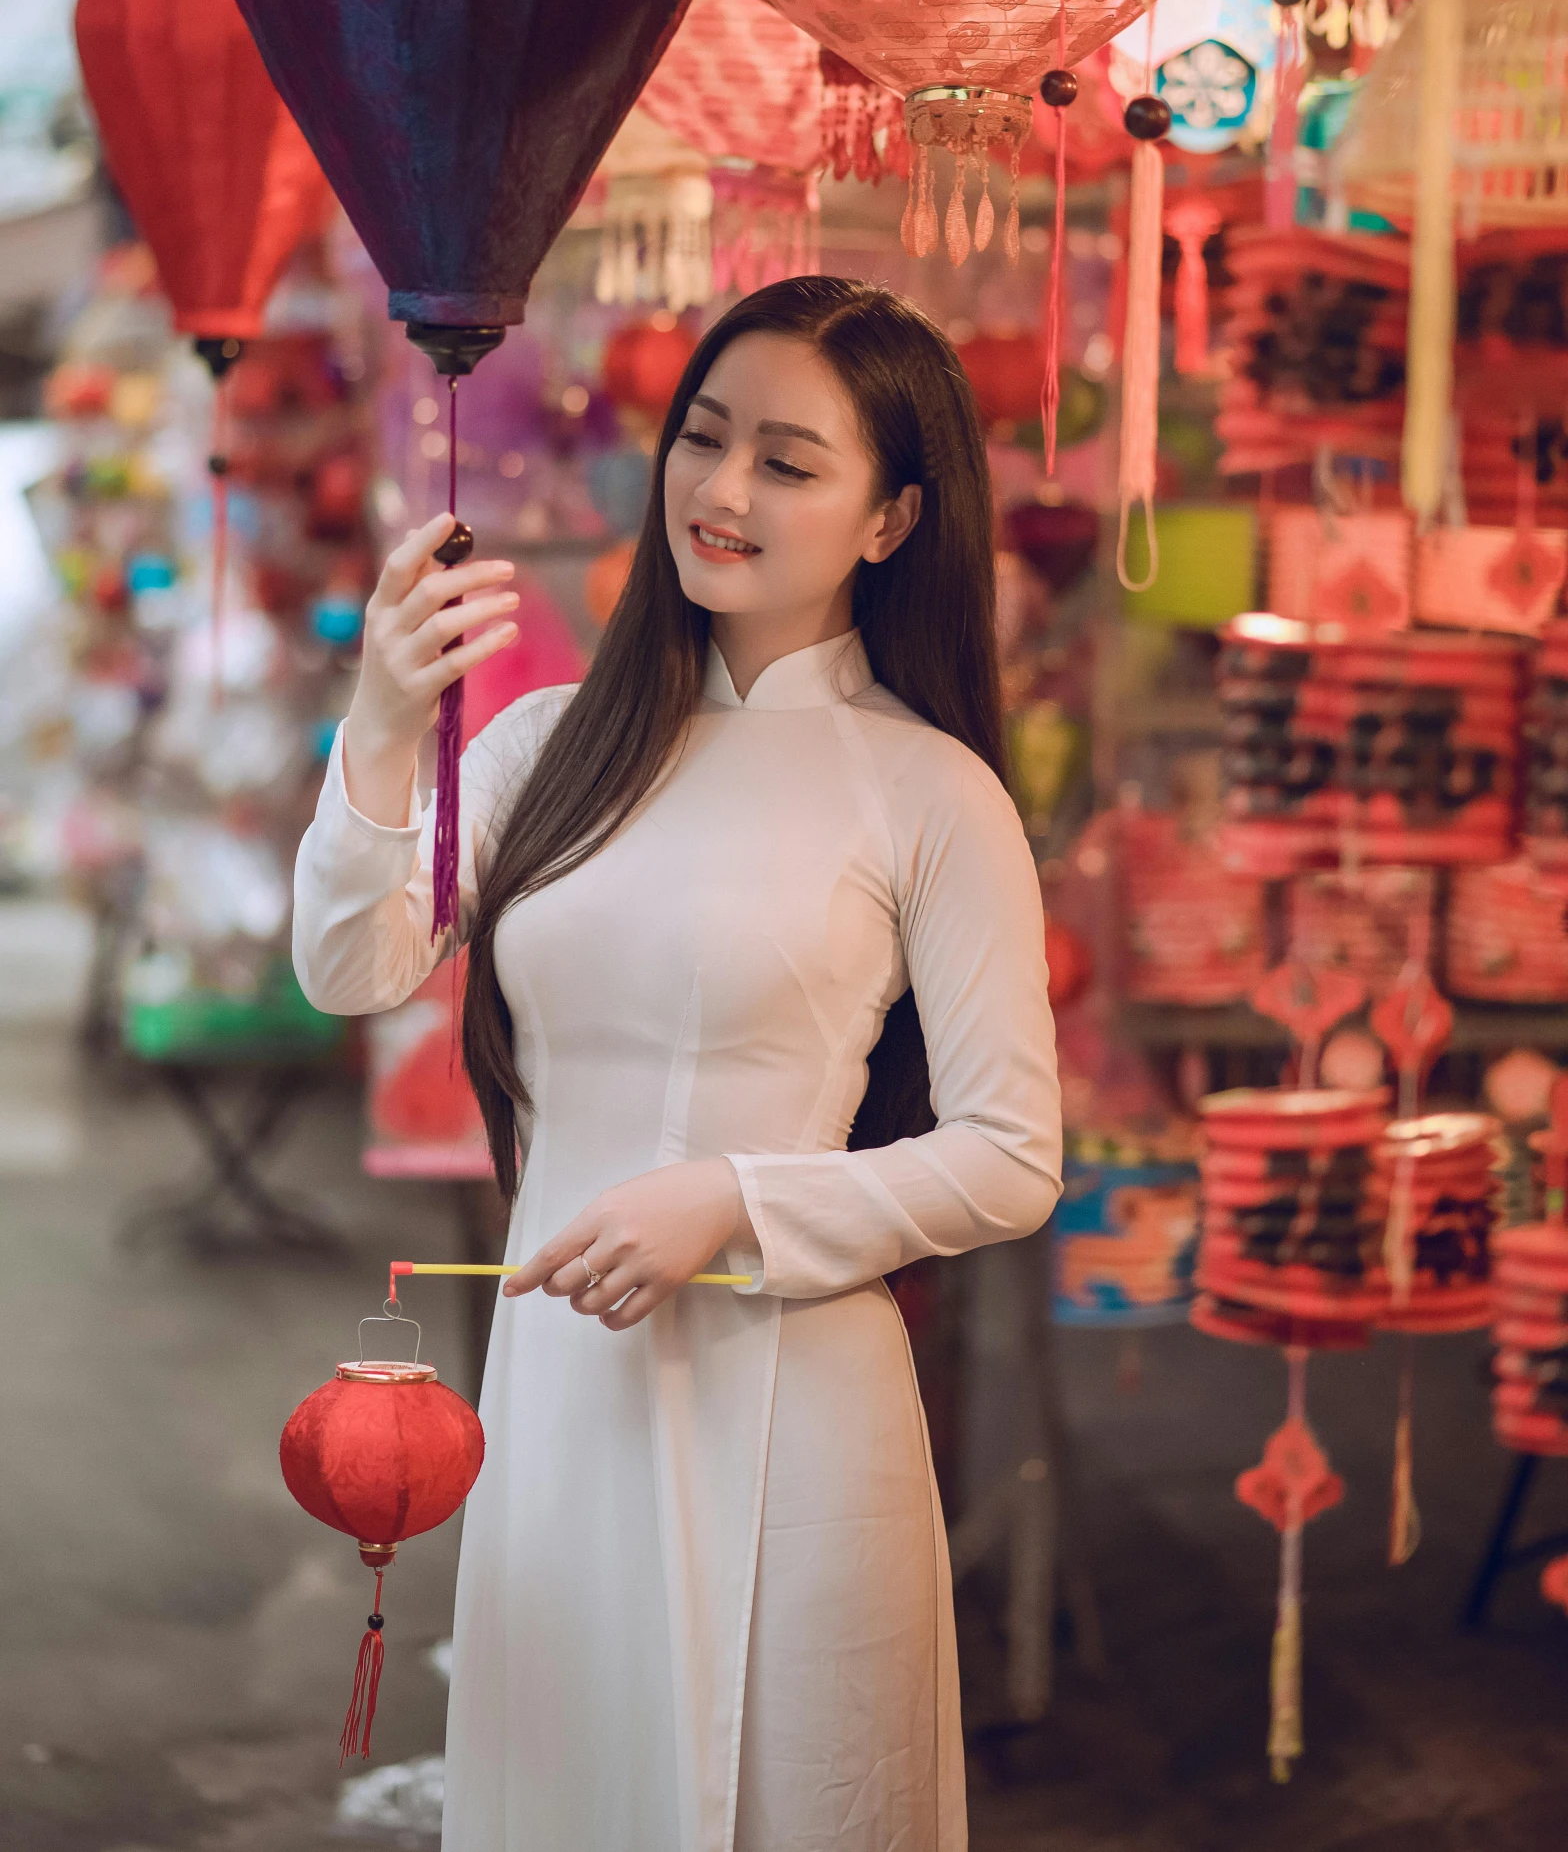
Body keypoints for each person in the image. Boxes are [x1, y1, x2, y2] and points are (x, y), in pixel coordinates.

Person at [294, 276, 1061, 1852]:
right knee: (571, 1789)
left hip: (796, 1403)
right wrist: (381, 724)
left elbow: (1009, 1153)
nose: (720, 491)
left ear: (892, 519)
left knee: (788, 1789)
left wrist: (731, 1198)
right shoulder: (546, 746)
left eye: (788, 462)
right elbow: (348, 966)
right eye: (704, 438)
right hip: (565, 1389)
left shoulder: (931, 794)